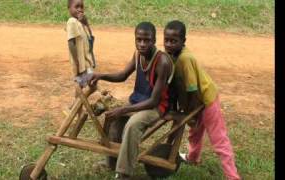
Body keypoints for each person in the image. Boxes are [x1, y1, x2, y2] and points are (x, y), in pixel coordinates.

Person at [89, 22, 174, 180]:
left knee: (132, 125)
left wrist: (124, 109)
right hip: (137, 101)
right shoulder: (137, 55)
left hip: (156, 107)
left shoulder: (162, 62)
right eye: (139, 39)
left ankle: (124, 173)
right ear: (135, 39)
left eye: (146, 40)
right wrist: (101, 75)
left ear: (154, 40)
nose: (142, 44)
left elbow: (154, 101)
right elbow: (123, 75)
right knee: (114, 121)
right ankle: (112, 163)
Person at [163, 20, 241, 180]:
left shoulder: (185, 59)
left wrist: (191, 112)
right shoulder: (172, 56)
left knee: (219, 139)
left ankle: (233, 176)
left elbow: (191, 89)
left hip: (206, 100)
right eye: (166, 40)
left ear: (183, 41)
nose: (169, 44)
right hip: (197, 101)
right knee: (195, 131)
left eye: (174, 41)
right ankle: (193, 157)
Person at [67, 0, 95, 88]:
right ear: (69, 9)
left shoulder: (80, 23)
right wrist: (77, 62)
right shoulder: (72, 21)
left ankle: (79, 101)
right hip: (80, 64)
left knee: (85, 86)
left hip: (86, 62)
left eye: (82, 7)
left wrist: (86, 24)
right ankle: (78, 101)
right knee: (84, 86)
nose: (80, 9)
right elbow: (71, 42)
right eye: (77, 7)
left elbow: (90, 38)